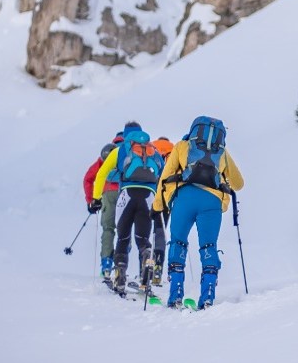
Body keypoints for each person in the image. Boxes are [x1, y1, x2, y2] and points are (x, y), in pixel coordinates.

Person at [154, 115, 244, 310]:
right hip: (212, 203)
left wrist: (158, 206)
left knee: (178, 242)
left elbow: (165, 176)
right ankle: (207, 297)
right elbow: (239, 183)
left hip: (184, 199)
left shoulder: (181, 146)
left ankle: (175, 296)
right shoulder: (222, 153)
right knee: (208, 246)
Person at [93, 121, 164, 297]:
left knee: (123, 238)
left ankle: (120, 275)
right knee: (143, 239)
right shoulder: (152, 150)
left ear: (126, 135)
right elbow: (163, 173)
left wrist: (96, 198)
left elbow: (102, 173)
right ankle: (147, 256)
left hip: (126, 195)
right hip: (149, 196)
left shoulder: (119, 150)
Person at [84, 131, 123, 281]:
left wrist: (92, 200)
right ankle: (121, 265)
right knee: (123, 231)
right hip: (125, 193)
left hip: (107, 194)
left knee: (108, 229)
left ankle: (106, 264)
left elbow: (88, 178)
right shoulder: (128, 152)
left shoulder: (106, 153)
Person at [147, 136, 174, 286]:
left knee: (146, 231)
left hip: (151, 193)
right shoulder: (174, 148)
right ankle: (158, 265)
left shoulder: (151, 147)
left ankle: (145, 268)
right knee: (160, 230)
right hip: (167, 195)